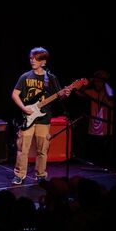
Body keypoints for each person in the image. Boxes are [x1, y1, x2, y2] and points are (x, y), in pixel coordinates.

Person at [11, 47, 71, 185]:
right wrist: (24, 108)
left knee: (42, 149)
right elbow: (14, 94)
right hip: (27, 117)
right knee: (23, 148)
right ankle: (19, 174)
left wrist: (65, 94)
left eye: (36, 59)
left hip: (44, 119)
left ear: (43, 62)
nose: (32, 61)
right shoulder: (25, 77)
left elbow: (59, 97)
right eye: (31, 58)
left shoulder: (51, 78)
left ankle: (41, 174)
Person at [78, 69, 115, 166]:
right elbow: (79, 92)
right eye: (96, 82)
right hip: (94, 126)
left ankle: (105, 164)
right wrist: (90, 81)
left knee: (105, 148)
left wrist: (105, 82)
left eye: (100, 81)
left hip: (106, 126)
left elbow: (111, 95)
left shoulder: (108, 92)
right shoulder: (92, 92)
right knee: (95, 147)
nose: (97, 84)